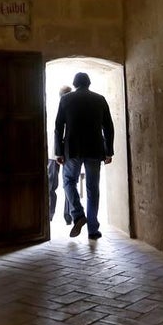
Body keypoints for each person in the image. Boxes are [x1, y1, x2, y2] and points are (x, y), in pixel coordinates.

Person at [54, 72, 114, 240]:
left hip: (72, 149)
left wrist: (58, 151)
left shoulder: (66, 99)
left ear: (74, 84)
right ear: (89, 83)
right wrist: (108, 151)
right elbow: (108, 127)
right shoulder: (100, 99)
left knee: (68, 182)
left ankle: (78, 215)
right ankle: (93, 230)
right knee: (93, 189)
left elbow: (59, 126)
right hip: (95, 149)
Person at [48, 85, 73, 224]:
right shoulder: (56, 109)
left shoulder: (55, 109)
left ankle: (52, 215)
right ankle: (67, 216)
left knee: (55, 185)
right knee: (67, 184)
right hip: (59, 153)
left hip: (55, 153)